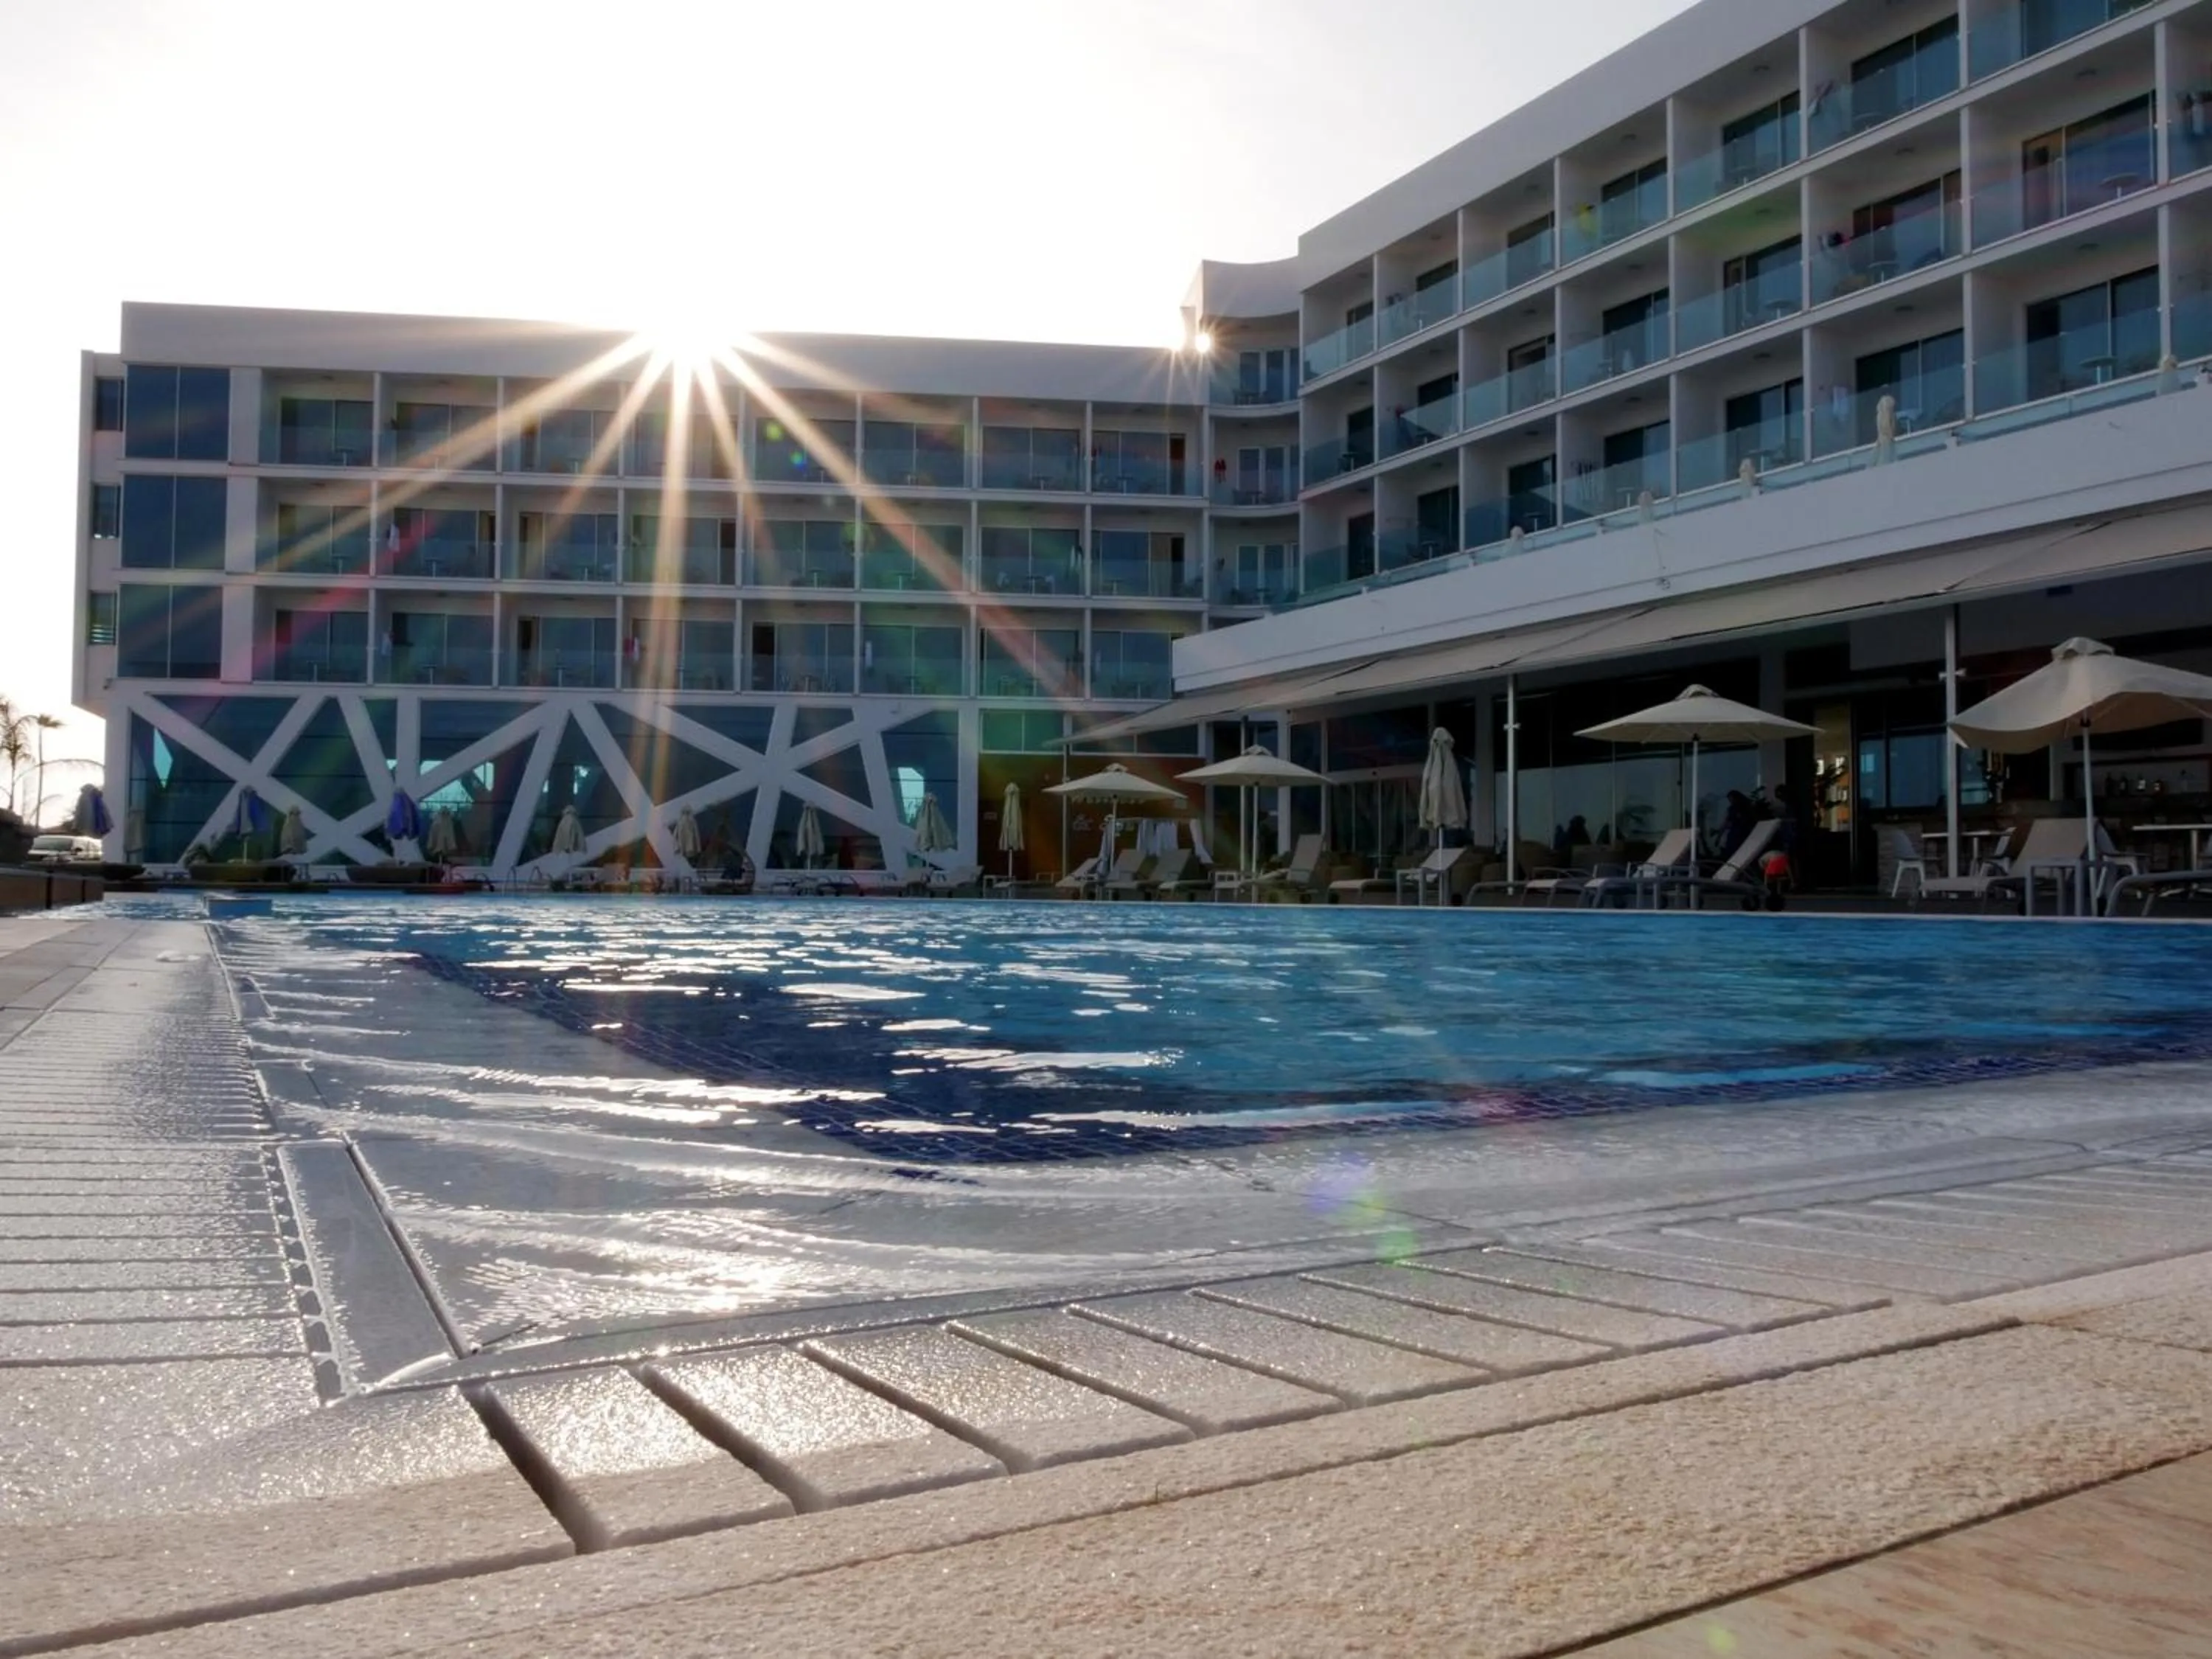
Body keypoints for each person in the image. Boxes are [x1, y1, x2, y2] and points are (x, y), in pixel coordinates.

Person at [1719, 790, 1759, 860]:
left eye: (1731, 799)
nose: (1731, 801)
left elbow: (1728, 822)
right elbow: (1726, 822)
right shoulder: (1733, 809)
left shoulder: (1743, 809)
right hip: (1736, 834)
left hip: (1739, 834)